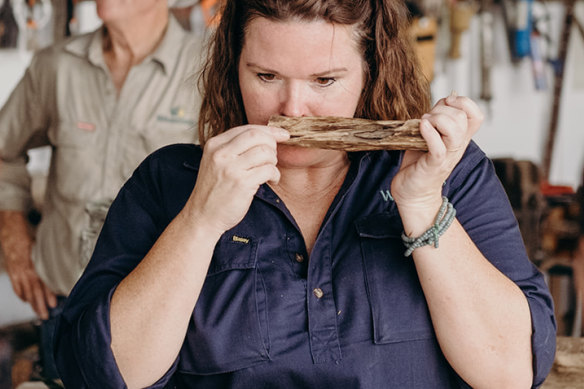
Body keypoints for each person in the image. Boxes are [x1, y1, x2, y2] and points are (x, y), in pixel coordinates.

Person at [55, 0, 557, 388]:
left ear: (371, 72)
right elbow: (102, 374)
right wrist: (199, 222)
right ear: (234, 67)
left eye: (324, 80)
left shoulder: (447, 170)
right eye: (266, 76)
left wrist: (424, 209)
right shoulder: (169, 183)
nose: (294, 108)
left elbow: (511, 373)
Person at [0, 0, 203, 380]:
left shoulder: (206, 68)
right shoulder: (56, 65)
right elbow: (2, 151)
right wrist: (12, 230)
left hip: (166, 315)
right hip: (63, 303)